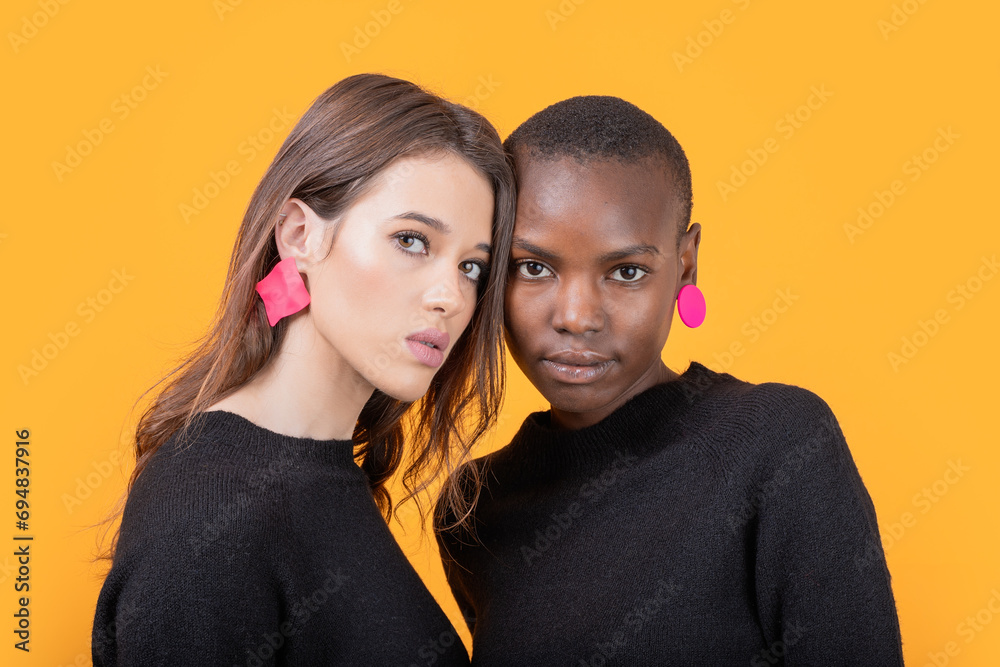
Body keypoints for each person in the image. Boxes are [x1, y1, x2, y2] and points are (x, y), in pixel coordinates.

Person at [434, 95, 904, 664]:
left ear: (685, 264)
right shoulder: (474, 510)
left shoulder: (778, 445)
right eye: (533, 267)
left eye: (626, 272)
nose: (576, 317)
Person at [91, 73, 516, 666]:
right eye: (412, 241)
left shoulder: (324, 475)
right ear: (299, 235)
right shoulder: (210, 515)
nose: (451, 297)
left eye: (472, 267)